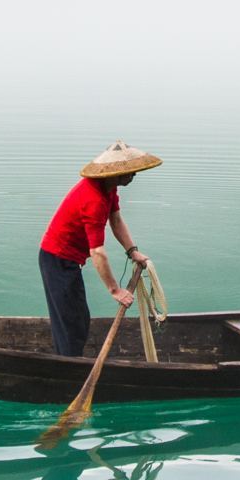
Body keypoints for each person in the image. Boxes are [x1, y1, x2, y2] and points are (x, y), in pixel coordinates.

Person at [38, 141, 160, 359]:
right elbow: (98, 253)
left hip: (69, 260)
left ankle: (69, 358)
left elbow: (116, 219)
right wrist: (115, 290)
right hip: (56, 259)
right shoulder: (93, 199)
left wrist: (132, 251)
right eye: (129, 172)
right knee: (71, 324)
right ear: (116, 172)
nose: (133, 176)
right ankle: (68, 367)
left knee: (78, 319)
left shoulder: (108, 190)